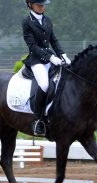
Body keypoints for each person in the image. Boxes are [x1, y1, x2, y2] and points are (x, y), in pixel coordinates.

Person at [22, 0, 71, 136]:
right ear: (31, 5)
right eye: (39, 4)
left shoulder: (47, 20)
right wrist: (51, 58)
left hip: (50, 58)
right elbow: (32, 46)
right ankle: (37, 120)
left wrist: (63, 55)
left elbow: (53, 40)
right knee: (44, 85)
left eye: (43, 5)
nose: (42, 7)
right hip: (37, 60)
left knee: (63, 81)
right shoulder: (27, 22)